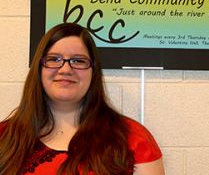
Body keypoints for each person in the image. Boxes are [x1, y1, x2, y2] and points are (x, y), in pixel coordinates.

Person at [0, 23, 165, 175]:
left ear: (93, 71)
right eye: (54, 59)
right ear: (39, 69)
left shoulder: (132, 138)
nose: (65, 69)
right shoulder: (4, 138)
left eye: (78, 60)